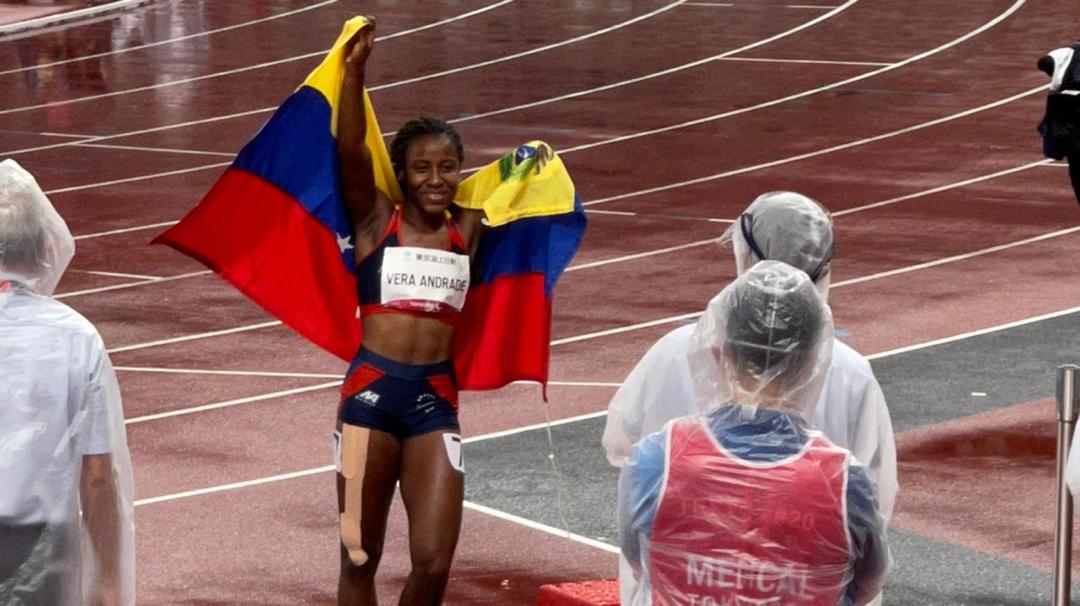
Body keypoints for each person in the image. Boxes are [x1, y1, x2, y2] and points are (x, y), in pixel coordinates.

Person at [602, 191, 896, 603]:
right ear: (812, 360)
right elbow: (872, 517)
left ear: (720, 352)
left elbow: (624, 456)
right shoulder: (849, 376)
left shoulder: (672, 363)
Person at [333, 20, 486, 605]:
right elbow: (350, 148)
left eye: (448, 167)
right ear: (401, 173)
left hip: (434, 405)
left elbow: (527, 195)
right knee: (357, 558)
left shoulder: (468, 229)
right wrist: (354, 71)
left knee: (434, 561)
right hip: (367, 401)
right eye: (422, 168)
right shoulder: (377, 222)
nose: (436, 180)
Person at [0, 159, 135, 606]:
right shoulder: (76, 337)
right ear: (43, 246)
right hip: (43, 545)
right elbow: (98, 475)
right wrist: (109, 577)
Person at [1037, 42, 1080, 206]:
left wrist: (1056, 72)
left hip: (1066, 117)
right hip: (1067, 119)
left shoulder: (1068, 52)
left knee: (1075, 162)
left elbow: (1044, 62)